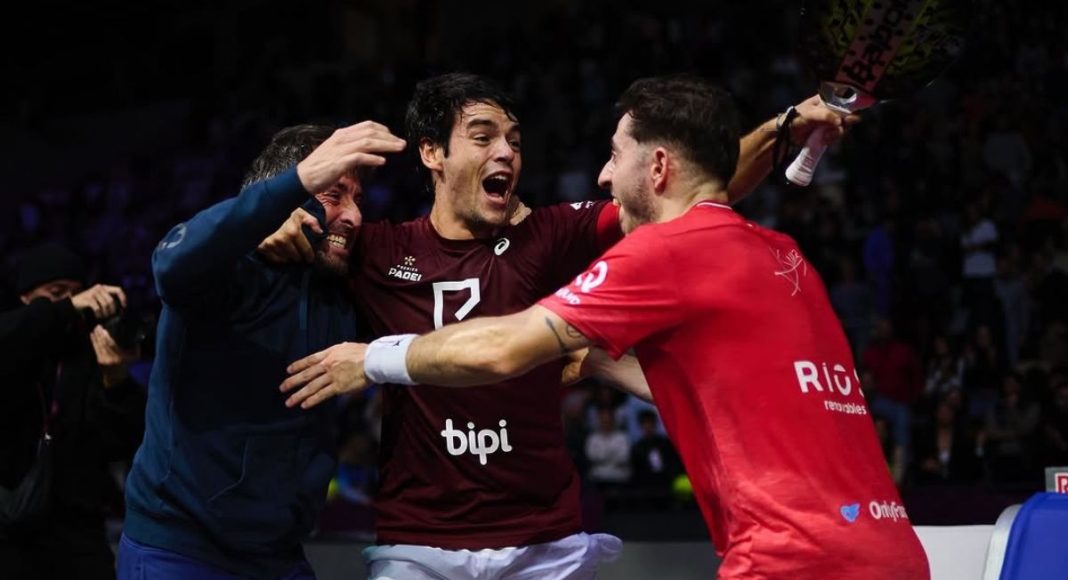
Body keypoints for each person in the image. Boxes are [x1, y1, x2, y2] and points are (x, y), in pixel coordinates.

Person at [281, 75, 929, 578]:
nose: (508, 151)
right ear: (431, 154)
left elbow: (687, 195)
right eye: (483, 137)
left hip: (555, 543)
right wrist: (271, 224)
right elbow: (692, 194)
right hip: (418, 544)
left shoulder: (578, 237)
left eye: (515, 140)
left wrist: (367, 360)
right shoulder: (786, 254)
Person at [117, 122, 405, 579]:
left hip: (280, 555)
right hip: (180, 551)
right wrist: (269, 214)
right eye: (334, 194)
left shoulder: (341, 287)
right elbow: (169, 265)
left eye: (358, 199)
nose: (353, 215)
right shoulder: (226, 269)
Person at [0, 242, 145, 580]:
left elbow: (121, 444)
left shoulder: (89, 353)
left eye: (77, 292)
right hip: (9, 526)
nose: (73, 301)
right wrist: (64, 309)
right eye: (56, 292)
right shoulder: (13, 337)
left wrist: (117, 380)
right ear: (25, 297)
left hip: (77, 527)